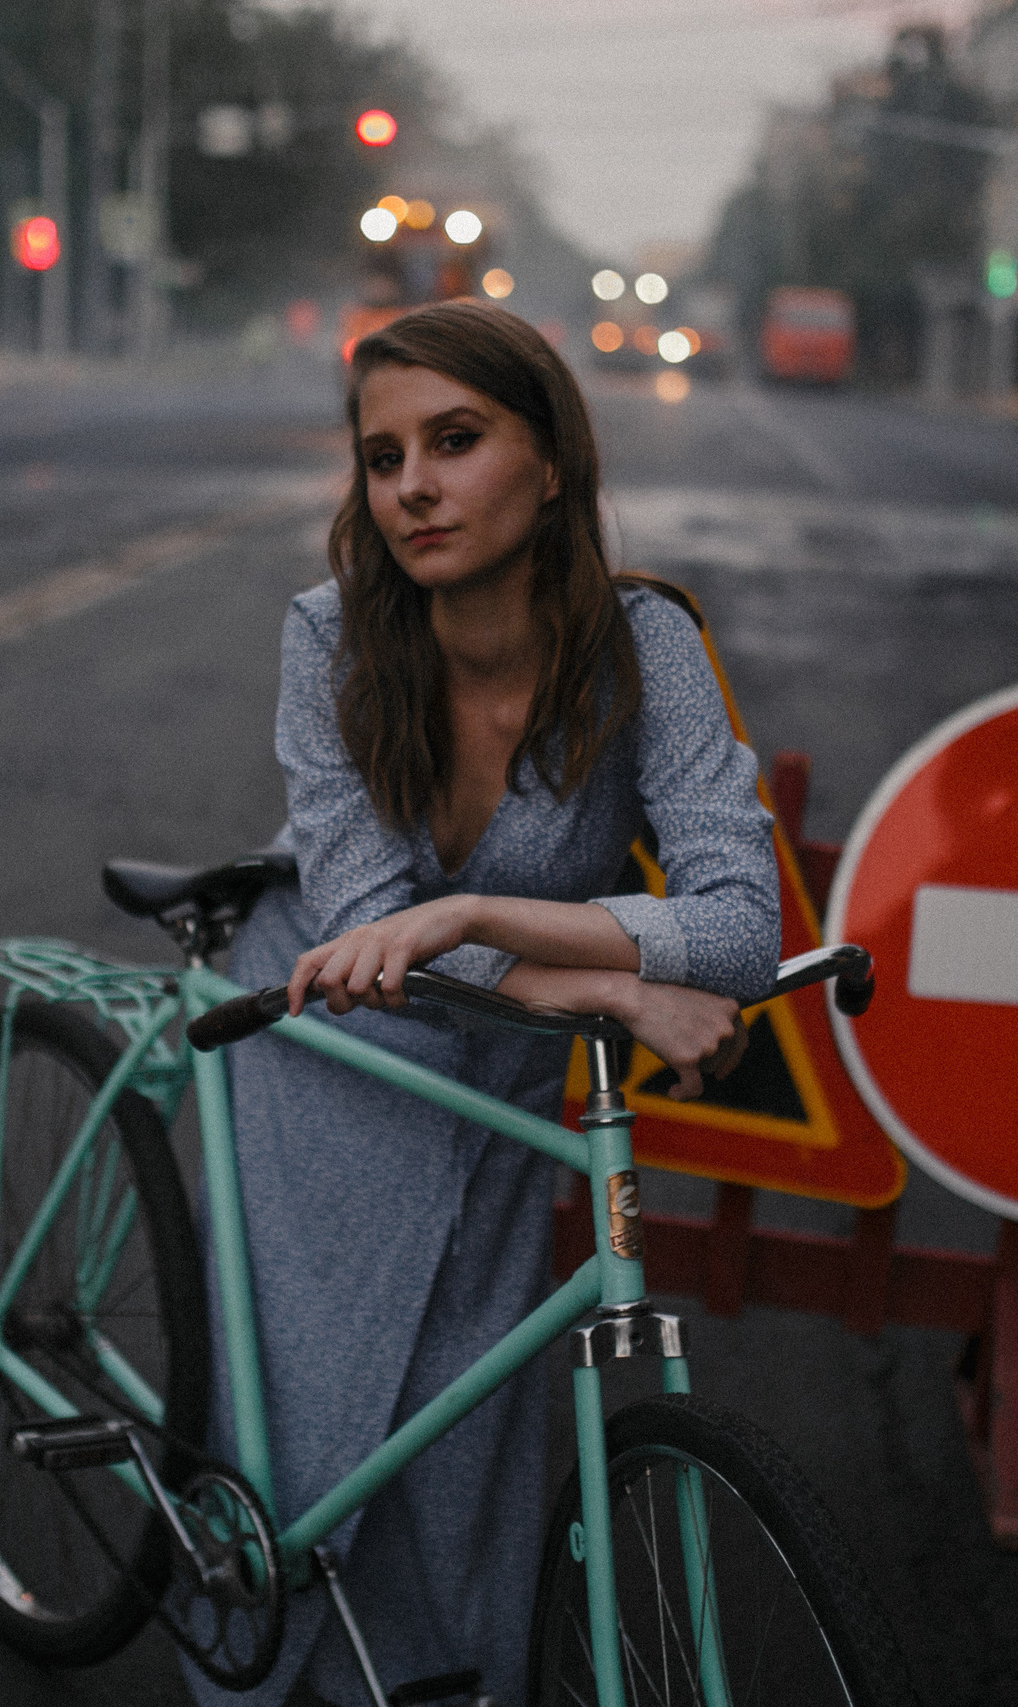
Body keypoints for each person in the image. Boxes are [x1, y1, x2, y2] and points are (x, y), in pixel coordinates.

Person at [206, 300, 779, 1707]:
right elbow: (357, 922)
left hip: (512, 1064)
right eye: (383, 454)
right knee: (315, 1389)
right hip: (332, 1032)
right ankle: (254, 1623)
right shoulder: (331, 632)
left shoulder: (650, 648)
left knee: (467, 1411)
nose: (411, 486)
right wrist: (595, 981)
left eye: (454, 441)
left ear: (554, 462)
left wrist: (478, 916)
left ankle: (432, 1677)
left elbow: (740, 923)